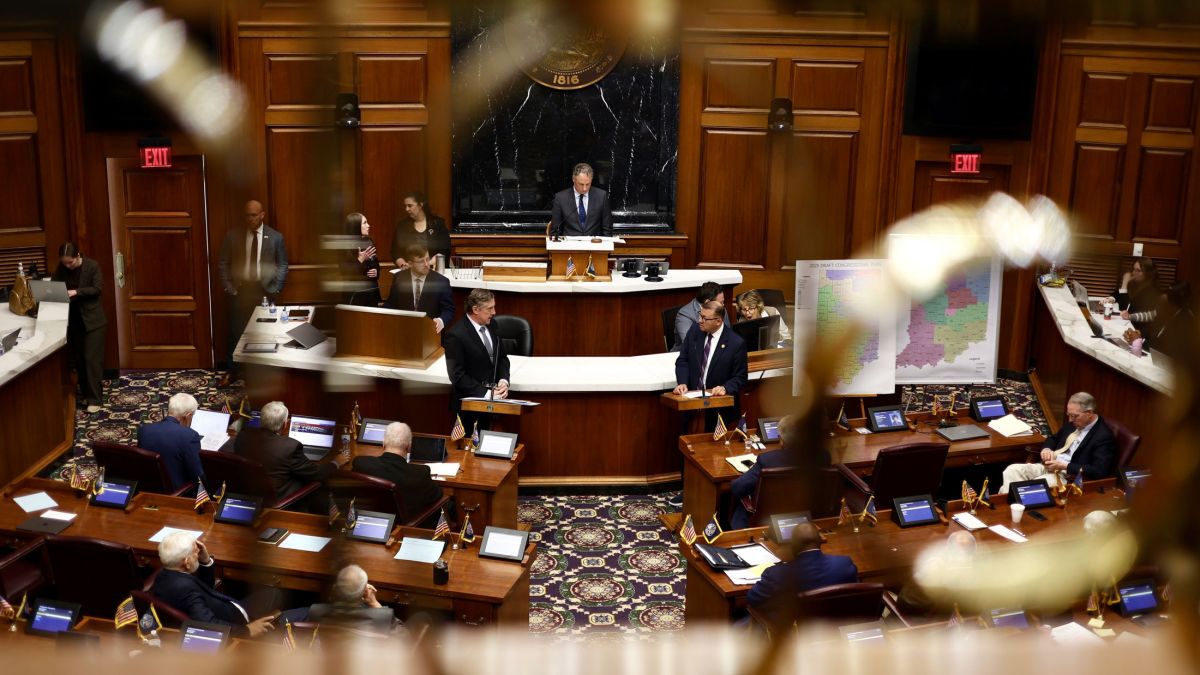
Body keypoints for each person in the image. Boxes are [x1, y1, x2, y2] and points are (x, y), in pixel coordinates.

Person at [151, 531, 279, 637]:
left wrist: (205, 561)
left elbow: (204, 588)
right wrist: (247, 630)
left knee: (273, 593)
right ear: (186, 561)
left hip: (223, 608)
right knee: (280, 598)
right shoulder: (186, 589)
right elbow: (209, 625)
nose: (198, 553)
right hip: (237, 623)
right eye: (195, 552)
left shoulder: (163, 576)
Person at [218, 200, 288, 383]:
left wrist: (277, 287)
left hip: (265, 291)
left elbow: (282, 264)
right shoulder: (233, 236)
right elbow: (223, 262)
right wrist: (229, 287)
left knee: (266, 332)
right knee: (236, 332)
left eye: (254, 215)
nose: (250, 219)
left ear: (262, 215)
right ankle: (233, 371)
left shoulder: (275, 237)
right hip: (241, 290)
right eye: (247, 215)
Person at [746, 522, 858, 629]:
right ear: (820, 541)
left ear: (792, 546)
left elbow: (752, 599)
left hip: (795, 636)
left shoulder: (777, 575)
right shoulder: (844, 564)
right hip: (837, 630)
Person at [1000, 392, 1116, 493]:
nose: (1070, 420)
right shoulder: (1075, 422)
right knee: (1012, 470)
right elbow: (1053, 439)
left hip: (1067, 476)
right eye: (1068, 415)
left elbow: (1099, 471)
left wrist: (1064, 466)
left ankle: (1010, 507)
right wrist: (1047, 449)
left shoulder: (1103, 436)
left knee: (1027, 487)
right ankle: (1011, 506)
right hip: (1049, 466)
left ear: (1089, 413)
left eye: (1074, 416)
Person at [233, 401, 348, 501]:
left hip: (247, 493)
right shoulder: (290, 447)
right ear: (285, 425)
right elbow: (315, 474)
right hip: (275, 499)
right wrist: (335, 463)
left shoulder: (242, 437)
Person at [673, 300, 748, 431]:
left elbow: (741, 377)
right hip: (692, 406)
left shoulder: (736, 343)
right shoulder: (695, 331)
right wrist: (682, 382)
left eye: (704, 318)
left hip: (718, 411)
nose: (699, 320)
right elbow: (683, 360)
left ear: (718, 321)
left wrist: (725, 387)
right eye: (700, 315)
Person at [443, 289, 511, 432]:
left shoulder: (493, 325)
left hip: (494, 404)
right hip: (469, 408)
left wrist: (504, 380)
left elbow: (502, 357)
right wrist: (486, 393)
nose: (494, 312)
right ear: (475, 309)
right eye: (490, 308)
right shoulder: (456, 335)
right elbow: (457, 375)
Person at [351, 422, 445, 524]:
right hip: (403, 527)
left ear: (383, 444)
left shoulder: (361, 463)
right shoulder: (420, 473)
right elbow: (437, 495)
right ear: (409, 447)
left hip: (369, 523)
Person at [52, 242, 107, 413]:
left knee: (92, 361)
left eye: (71, 262)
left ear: (78, 256)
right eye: (64, 263)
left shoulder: (92, 266)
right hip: (74, 321)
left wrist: (76, 292)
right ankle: (86, 394)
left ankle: (95, 399)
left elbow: (97, 289)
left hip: (93, 321)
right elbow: (54, 285)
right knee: (81, 360)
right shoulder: (62, 268)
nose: (67, 266)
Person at [296, 565, 398, 635]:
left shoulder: (316, 611)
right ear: (365, 592)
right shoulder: (383, 617)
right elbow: (404, 636)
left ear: (335, 589)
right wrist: (375, 603)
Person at [137, 393, 204, 491]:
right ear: (188, 416)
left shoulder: (144, 430)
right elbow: (197, 475)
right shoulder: (190, 436)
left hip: (146, 489)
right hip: (177, 493)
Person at [385, 243, 454, 333]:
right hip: (404, 331)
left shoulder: (441, 281)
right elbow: (391, 304)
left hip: (430, 332)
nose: (426, 264)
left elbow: (448, 309)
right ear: (410, 263)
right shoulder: (399, 278)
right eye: (421, 261)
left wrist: (441, 320)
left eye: (427, 259)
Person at [549, 163, 613, 238]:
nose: (584, 188)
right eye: (581, 184)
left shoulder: (601, 196)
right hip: (569, 247)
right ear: (573, 179)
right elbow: (555, 231)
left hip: (594, 245)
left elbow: (607, 229)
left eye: (588, 184)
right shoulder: (561, 198)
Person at [391, 192, 451, 268]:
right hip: (409, 271)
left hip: (433, 269)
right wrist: (403, 265)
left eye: (410, 206)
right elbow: (395, 252)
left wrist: (428, 264)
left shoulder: (437, 224)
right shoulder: (402, 226)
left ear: (420, 205)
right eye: (405, 206)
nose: (406, 209)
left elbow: (444, 249)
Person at [1103, 257, 1160, 334]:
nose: (1133, 273)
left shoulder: (1152, 291)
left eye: (1138, 270)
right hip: (1127, 324)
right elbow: (1117, 294)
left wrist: (1124, 283)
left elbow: (1125, 308)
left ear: (1147, 273)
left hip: (1138, 330)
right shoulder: (1135, 284)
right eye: (1134, 269)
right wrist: (1110, 299)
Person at [673, 281, 728, 352]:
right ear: (708, 302)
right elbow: (690, 344)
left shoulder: (720, 309)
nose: (723, 305)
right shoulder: (685, 315)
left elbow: (727, 333)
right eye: (721, 302)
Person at [1147, 281, 1194, 359]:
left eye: (1162, 305)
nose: (1158, 308)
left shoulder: (1185, 321)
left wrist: (1139, 341)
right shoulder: (1170, 314)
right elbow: (1156, 337)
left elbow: (1166, 350)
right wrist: (1139, 336)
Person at [341, 212, 379, 301]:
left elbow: (375, 264)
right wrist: (360, 260)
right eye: (365, 223)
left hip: (371, 294)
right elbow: (346, 274)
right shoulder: (344, 246)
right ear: (356, 226)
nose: (368, 225)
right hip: (355, 296)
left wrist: (376, 271)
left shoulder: (369, 241)